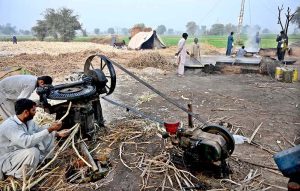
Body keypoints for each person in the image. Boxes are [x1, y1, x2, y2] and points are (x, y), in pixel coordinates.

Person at [0, 98, 69, 180]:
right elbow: (26, 142)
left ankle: (44, 161)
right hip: (8, 158)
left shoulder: (27, 121)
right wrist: (50, 129)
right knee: (33, 151)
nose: (35, 113)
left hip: (20, 153)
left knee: (47, 136)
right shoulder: (10, 126)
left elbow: (40, 130)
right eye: (33, 110)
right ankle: (18, 176)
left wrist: (57, 133)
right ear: (26, 112)